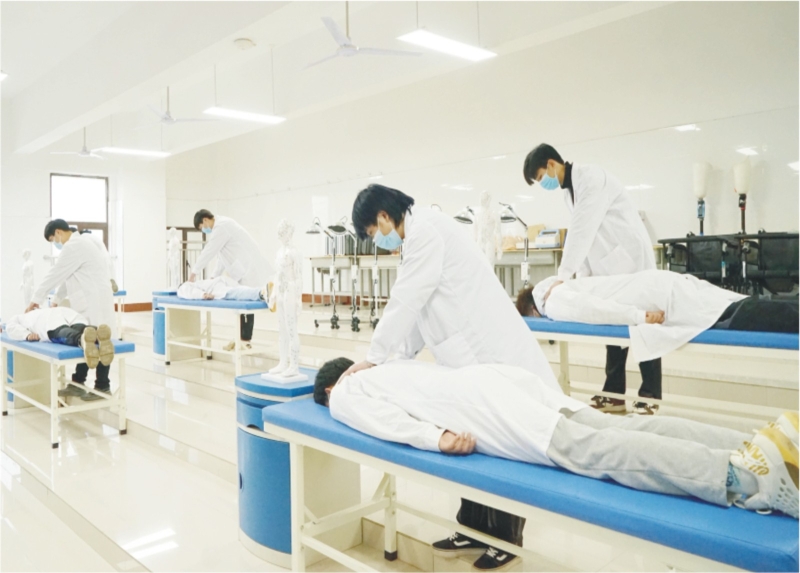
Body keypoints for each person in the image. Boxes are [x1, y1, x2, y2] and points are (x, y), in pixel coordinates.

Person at [340, 184, 559, 570]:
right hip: (463, 358)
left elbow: (405, 300)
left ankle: (506, 538)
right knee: (468, 436)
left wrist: (374, 357)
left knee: (499, 440)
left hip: (489, 350)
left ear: (384, 217)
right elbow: (419, 311)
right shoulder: (416, 237)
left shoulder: (426, 231)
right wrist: (398, 359)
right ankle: (471, 527)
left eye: (374, 234)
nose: (378, 242)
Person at [315, 357, 799, 525]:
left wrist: (435, 438)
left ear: (331, 388)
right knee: (625, 427)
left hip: (496, 413)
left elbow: (379, 421)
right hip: (505, 385)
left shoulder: (346, 392)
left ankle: (743, 475)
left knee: (604, 453)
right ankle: (760, 444)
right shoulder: (387, 366)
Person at [523, 144, 660, 415]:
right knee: (611, 321)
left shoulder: (591, 179)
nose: (543, 184)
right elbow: (585, 240)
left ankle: (650, 396)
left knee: (644, 325)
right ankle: (613, 394)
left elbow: (581, 232)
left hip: (631, 260)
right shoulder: (569, 192)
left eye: (540, 177)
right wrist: (581, 283)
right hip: (610, 266)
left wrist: (563, 276)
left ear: (551, 164)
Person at [516, 270, 799, 363]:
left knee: (733, 316)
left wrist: (639, 316)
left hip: (661, 299)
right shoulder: (558, 288)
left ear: (532, 311)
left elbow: (594, 310)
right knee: (730, 307)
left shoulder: (552, 302)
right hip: (661, 286)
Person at [26, 220, 117, 400]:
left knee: (100, 339)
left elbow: (55, 274)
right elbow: (67, 278)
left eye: (53, 240)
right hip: (92, 298)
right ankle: (77, 383)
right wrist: (56, 301)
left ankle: (103, 387)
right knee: (87, 339)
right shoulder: (80, 244)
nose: (56, 243)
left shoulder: (73, 246)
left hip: (94, 301)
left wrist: (35, 299)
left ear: (58, 232)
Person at [191, 209, 274, 350]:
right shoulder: (221, 229)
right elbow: (221, 259)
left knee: (247, 302)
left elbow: (209, 251)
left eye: (202, 227)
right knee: (241, 303)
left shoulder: (222, 226)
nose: (204, 230)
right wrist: (213, 277)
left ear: (205, 219)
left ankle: (245, 340)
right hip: (242, 270)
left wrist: (193, 273)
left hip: (248, 268)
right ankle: (239, 338)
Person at [1, 307, 114, 400]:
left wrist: (26, 335)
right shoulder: (38, 311)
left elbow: (11, 328)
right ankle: (101, 385)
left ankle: (81, 340)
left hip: (49, 323)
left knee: (63, 333)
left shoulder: (16, 319)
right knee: (89, 336)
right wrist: (27, 334)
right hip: (69, 314)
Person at [177, 276, 267, 302]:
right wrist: (203, 295)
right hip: (218, 286)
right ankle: (261, 292)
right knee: (238, 291)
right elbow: (188, 291)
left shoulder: (187, 286)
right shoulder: (185, 286)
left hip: (216, 286)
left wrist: (203, 295)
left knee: (238, 291)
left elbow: (189, 291)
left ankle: (262, 292)